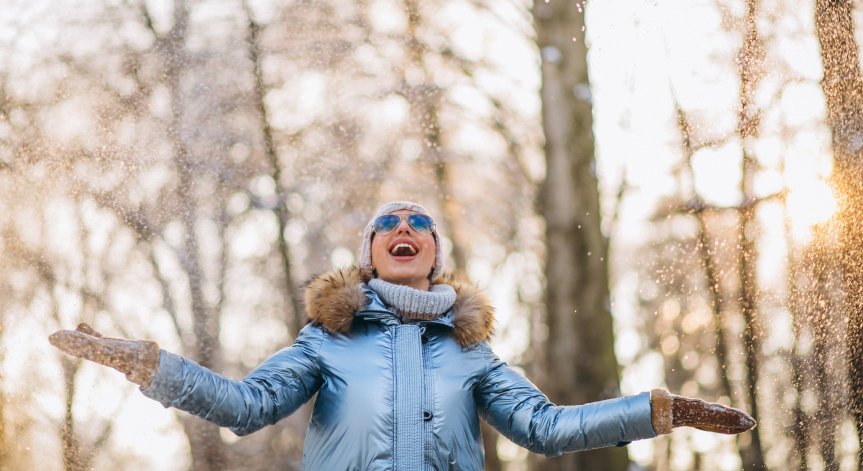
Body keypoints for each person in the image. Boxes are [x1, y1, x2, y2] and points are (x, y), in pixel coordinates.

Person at [49, 200, 755, 470]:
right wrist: (146, 364)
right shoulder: (325, 341)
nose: (403, 230)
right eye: (386, 225)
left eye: (418, 222)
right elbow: (242, 407)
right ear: (368, 253)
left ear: (436, 253)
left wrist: (660, 411)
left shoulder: (469, 351)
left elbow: (543, 426)